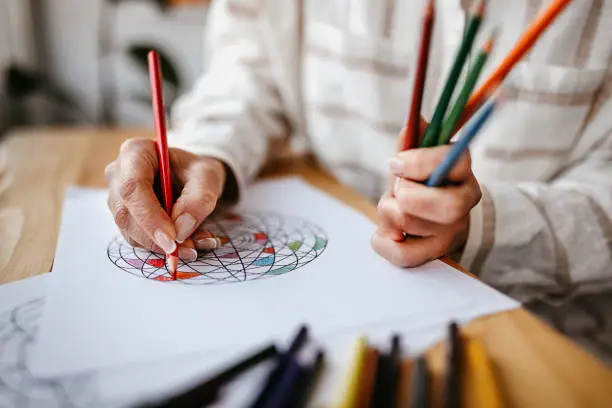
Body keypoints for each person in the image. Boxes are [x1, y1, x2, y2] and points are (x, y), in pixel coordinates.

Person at [105, 0, 612, 364]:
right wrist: (207, 152)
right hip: (322, 311)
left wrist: (481, 225)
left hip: (550, 339)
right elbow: (248, 72)